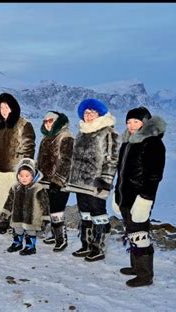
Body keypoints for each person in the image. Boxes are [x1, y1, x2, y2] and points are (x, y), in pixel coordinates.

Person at [113, 107, 166, 287]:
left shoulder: (152, 143)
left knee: (140, 235)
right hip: (125, 197)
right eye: (128, 122)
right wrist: (116, 195)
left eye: (135, 121)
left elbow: (154, 176)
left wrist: (145, 199)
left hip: (139, 198)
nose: (131, 125)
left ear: (145, 122)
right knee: (132, 232)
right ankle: (136, 267)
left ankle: (145, 275)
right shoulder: (127, 143)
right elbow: (120, 173)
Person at [64, 99, 119, 262]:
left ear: (99, 114)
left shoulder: (108, 132)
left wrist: (105, 181)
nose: (88, 116)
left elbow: (112, 159)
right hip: (80, 182)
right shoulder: (82, 132)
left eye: (92, 113)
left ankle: (99, 248)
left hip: (96, 183)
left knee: (98, 213)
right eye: (86, 113)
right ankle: (86, 245)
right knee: (85, 214)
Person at [0, 92, 36, 234]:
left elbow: (29, 148)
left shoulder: (24, 124)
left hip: (15, 170)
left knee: (16, 199)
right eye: (1, 108)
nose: (4, 110)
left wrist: (26, 168)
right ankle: (3, 222)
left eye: (6, 107)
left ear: (13, 108)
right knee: (0, 198)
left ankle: (15, 223)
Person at [36, 111, 74, 252]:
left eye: (50, 120)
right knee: (51, 207)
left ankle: (61, 239)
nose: (47, 123)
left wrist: (58, 180)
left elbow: (66, 161)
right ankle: (54, 234)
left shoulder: (66, 137)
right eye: (45, 121)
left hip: (60, 182)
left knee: (57, 210)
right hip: (46, 180)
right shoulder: (46, 138)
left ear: (58, 121)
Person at [2, 158, 49, 255]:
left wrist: (45, 217)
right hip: (17, 215)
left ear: (33, 176)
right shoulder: (15, 188)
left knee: (30, 231)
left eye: (27, 176)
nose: (24, 178)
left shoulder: (38, 188)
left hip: (32, 217)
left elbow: (44, 204)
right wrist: (6, 212)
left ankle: (30, 246)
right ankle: (17, 243)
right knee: (17, 229)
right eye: (21, 175)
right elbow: (9, 201)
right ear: (18, 176)